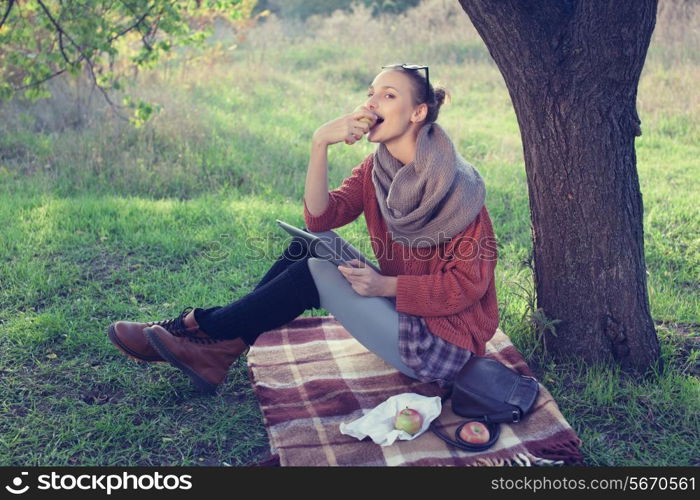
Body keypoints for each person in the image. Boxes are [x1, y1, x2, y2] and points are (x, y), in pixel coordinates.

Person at [107, 63, 499, 394]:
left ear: (418, 113)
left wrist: (386, 287)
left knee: (315, 272)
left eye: (389, 95)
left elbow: (468, 286)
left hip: (442, 346)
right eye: (371, 93)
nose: (371, 103)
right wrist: (319, 143)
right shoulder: (377, 170)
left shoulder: (457, 189)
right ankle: (215, 346)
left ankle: (207, 333)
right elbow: (322, 219)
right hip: (406, 312)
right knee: (313, 246)